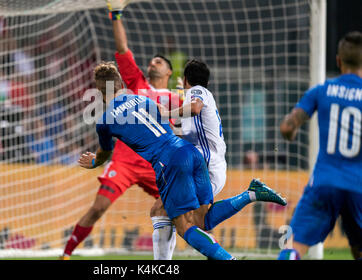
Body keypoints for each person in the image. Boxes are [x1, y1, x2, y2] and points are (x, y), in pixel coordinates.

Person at [62, 0, 182, 260]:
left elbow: (189, 116)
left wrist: (186, 94)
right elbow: (122, 48)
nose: (153, 62)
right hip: (126, 161)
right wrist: (115, 14)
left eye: (159, 61)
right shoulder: (137, 84)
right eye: (152, 60)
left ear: (170, 71)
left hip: (157, 162)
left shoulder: (175, 98)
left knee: (181, 212)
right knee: (98, 207)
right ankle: (66, 254)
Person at [78, 61, 239, 259]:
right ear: (120, 84)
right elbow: (171, 128)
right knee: (199, 220)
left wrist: (94, 162)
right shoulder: (144, 101)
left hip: (168, 162)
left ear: (100, 92)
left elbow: (104, 153)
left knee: (183, 226)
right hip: (190, 151)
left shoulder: (105, 121)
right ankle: (250, 195)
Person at [159, 59, 287, 237]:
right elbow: (183, 134)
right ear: (208, 81)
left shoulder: (198, 91)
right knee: (177, 215)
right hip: (206, 164)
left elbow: (195, 108)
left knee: (185, 218)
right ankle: (250, 195)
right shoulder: (195, 96)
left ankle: (250, 195)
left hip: (207, 165)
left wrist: (166, 113)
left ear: (187, 79)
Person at [277, 31, 362, 260]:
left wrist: (291, 132)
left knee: (292, 245)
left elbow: (287, 127)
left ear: (338, 60)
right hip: (359, 186)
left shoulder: (321, 90)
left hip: (324, 182)